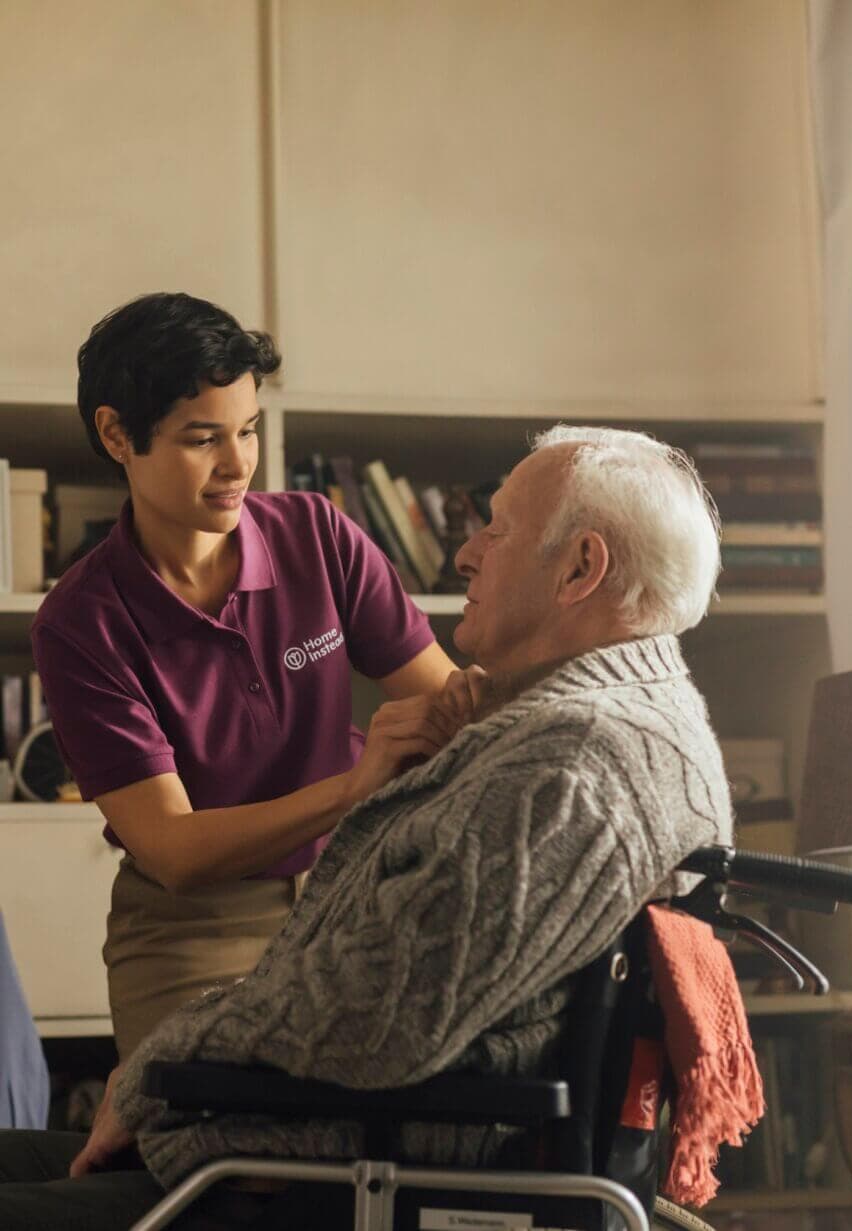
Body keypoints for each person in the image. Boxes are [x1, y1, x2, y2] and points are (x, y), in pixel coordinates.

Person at [0, 425, 733, 1229]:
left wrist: (153, 1065)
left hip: (331, 1171)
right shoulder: (620, 723)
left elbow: (378, 1019)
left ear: (581, 568)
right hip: (324, 1134)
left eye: (497, 529)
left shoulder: (573, 768)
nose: (464, 554)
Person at [31, 292, 463, 1063]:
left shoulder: (318, 535)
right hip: (195, 926)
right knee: (212, 1161)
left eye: (249, 430)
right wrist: (350, 788)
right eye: (203, 439)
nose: (238, 465)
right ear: (116, 434)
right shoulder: (80, 623)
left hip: (359, 887)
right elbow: (176, 848)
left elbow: (451, 706)